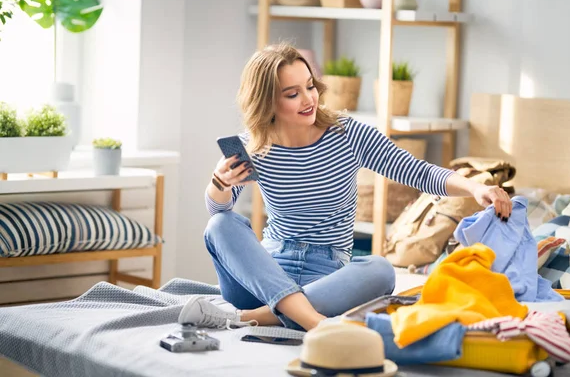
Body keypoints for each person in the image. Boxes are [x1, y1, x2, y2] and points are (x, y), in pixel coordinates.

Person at [179, 43, 513, 332]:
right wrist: (219, 184)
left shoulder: (347, 134)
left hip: (325, 276)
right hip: (263, 276)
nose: (308, 98)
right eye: (292, 94)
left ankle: (250, 318)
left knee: (380, 270)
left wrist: (474, 188)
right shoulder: (251, 147)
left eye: (310, 86)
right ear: (267, 102)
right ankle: (310, 321)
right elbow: (221, 213)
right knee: (220, 225)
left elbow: (417, 171)